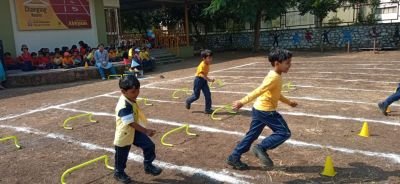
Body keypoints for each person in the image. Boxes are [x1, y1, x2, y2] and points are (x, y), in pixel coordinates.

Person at [226, 49, 298, 170]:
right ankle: (261, 148)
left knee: (251, 135)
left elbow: (277, 94)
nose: (289, 65)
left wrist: (289, 102)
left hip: (259, 109)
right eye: (287, 63)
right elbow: (259, 90)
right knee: (284, 132)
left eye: (290, 62)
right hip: (266, 111)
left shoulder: (276, 76)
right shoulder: (274, 77)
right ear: (277, 63)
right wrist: (242, 101)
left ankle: (234, 156)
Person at [113, 75, 162, 183]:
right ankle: (118, 172)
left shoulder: (130, 98)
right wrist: (146, 130)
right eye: (133, 92)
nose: (137, 94)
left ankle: (148, 165)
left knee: (149, 145)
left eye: (138, 90)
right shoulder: (123, 106)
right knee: (121, 155)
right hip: (124, 133)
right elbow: (130, 123)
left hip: (134, 131)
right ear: (123, 91)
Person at [185, 49, 215, 114]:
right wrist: (209, 79)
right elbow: (201, 75)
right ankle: (188, 101)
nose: (211, 59)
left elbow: (204, 75)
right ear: (204, 58)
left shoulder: (207, 64)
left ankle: (207, 109)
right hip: (198, 81)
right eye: (209, 58)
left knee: (208, 94)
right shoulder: (202, 65)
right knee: (196, 96)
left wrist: (207, 79)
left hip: (203, 81)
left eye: (211, 57)